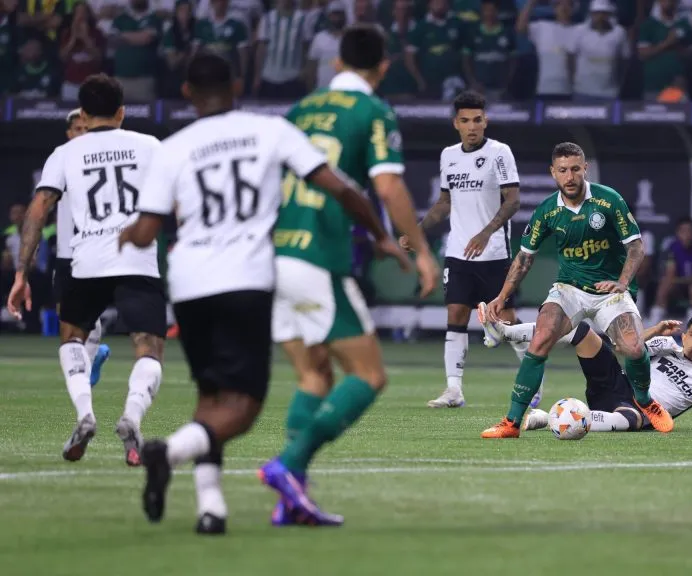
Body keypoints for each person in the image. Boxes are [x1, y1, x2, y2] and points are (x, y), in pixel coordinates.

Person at [117, 50, 408, 535]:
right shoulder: (269, 130)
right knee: (242, 406)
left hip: (189, 284)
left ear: (187, 93)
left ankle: (212, 508)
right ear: (236, 86)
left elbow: (147, 232)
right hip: (246, 278)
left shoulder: (173, 148)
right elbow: (339, 187)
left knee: (212, 396)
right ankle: (169, 452)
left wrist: (127, 234)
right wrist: (379, 234)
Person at [266, 24, 439, 527]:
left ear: (336, 63)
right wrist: (421, 252)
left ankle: (292, 500)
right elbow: (388, 187)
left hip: (275, 255)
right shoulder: (373, 111)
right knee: (369, 375)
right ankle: (289, 464)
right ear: (383, 68)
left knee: (314, 376)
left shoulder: (300, 110)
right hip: (318, 257)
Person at [7, 75, 165, 468]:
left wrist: (21, 273)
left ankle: (84, 414)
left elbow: (38, 211)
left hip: (86, 261)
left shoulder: (65, 153)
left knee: (72, 339)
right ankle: (132, 417)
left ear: (83, 112)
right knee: (148, 347)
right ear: (121, 112)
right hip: (136, 259)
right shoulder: (150, 146)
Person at [479, 142, 673, 438]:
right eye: (562, 170)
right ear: (552, 172)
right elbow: (524, 258)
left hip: (610, 291)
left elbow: (635, 247)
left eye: (574, 169)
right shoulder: (547, 211)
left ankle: (645, 401)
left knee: (633, 349)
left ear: (585, 169)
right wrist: (502, 297)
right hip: (569, 288)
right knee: (541, 340)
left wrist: (622, 282)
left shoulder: (609, 200)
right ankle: (512, 423)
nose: (569, 177)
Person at [398, 90, 533, 409]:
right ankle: (453, 390)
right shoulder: (448, 156)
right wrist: (417, 232)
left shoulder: (499, 152)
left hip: (494, 252)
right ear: (455, 123)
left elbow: (513, 201)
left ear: (485, 121)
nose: (472, 126)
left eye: (477, 120)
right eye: (465, 121)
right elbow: (444, 202)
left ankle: (532, 381)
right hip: (458, 251)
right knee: (456, 314)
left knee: (506, 320)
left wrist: (486, 233)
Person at [482, 312, 692, 435]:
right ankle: (506, 332)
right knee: (581, 331)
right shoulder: (665, 345)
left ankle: (548, 419)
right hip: (615, 384)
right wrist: (656, 330)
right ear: (683, 336)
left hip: (640, 411)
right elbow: (623, 347)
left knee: (630, 419)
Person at [53, 108, 112, 388]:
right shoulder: (60, 159)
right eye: (77, 129)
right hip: (65, 250)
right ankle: (94, 355)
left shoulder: (104, 161)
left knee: (85, 311)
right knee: (65, 315)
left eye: (86, 128)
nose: (82, 133)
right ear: (69, 133)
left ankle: (87, 369)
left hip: (93, 246)